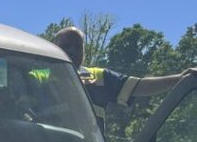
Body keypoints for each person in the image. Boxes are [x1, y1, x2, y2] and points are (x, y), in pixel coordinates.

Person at [52, 25, 194, 116]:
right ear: (54, 47)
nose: (72, 51)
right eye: (66, 46)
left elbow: (141, 86)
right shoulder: (38, 75)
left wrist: (181, 78)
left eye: (78, 47)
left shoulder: (99, 78)